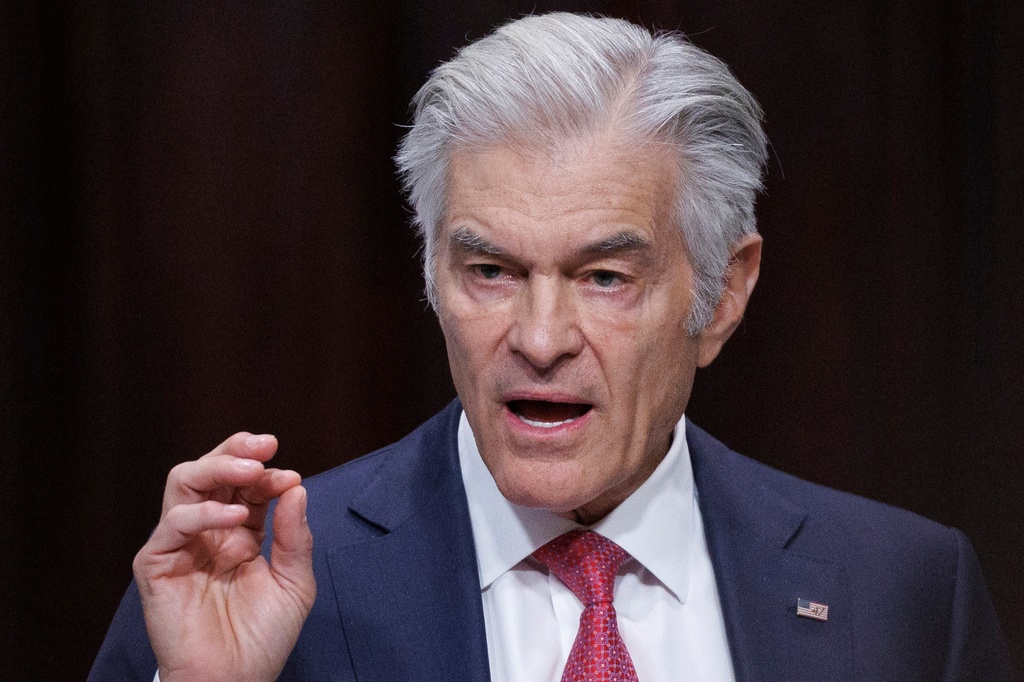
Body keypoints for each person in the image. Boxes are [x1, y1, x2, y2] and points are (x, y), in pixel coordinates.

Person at [90, 12, 1012, 682]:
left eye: (605, 277)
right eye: (490, 270)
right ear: (432, 275)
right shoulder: (237, 579)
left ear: (724, 293)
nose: (538, 340)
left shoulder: (904, 592)